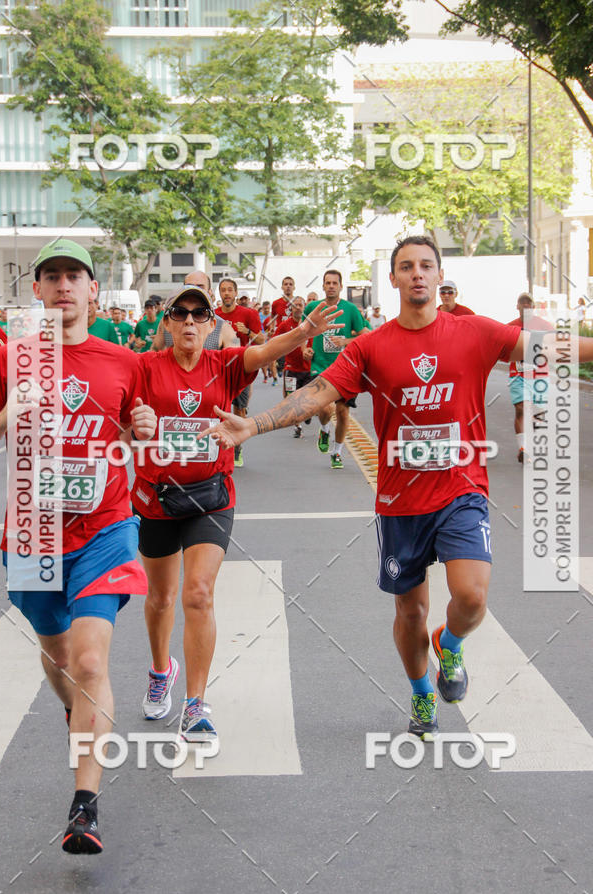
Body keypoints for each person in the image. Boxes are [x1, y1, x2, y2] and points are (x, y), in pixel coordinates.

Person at [200, 235, 593, 740]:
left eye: (426, 266)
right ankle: (422, 692)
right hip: (400, 501)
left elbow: (546, 347)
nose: (417, 274)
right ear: (393, 279)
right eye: (406, 266)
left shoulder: (474, 332)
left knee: (471, 598)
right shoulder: (372, 347)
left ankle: (449, 644)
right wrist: (252, 425)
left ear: (439, 275)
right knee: (410, 610)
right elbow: (320, 392)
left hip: (460, 490)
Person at [0, 238, 156, 854]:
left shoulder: (124, 360)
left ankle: (84, 806)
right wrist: (11, 412)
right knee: (60, 659)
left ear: (93, 289)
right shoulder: (12, 358)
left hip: (107, 529)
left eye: (74, 276)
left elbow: (136, 426)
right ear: (35, 290)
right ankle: (76, 714)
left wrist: (142, 428)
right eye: (51, 276)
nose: (63, 286)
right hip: (33, 532)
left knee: (91, 662)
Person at [132, 285, 341, 743]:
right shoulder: (144, 367)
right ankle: (159, 668)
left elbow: (266, 349)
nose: (189, 322)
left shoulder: (223, 364)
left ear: (211, 325)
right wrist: (133, 426)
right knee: (162, 599)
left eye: (198, 314)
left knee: (198, 594)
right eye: (180, 314)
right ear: (166, 323)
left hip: (210, 497)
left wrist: (305, 329)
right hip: (156, 498)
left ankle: (194, 705)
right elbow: (117, 409)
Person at [304, 270, 370, 469]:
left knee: (342, 412)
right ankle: (324, 429)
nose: (331, 286)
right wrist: (304, 349)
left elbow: (366, 335)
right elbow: (301, 333)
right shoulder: (313, 307)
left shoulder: (350, 309)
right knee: (325, 408)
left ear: (341, 286)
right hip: (320, 366)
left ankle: (337, 452)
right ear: (323, 286)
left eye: (335, 283)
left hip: (346, 368)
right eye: (327, 283)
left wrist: (346, 340)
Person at [216, 278, 264, 467]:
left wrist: (248, 332)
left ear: (236, 293)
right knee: (219, 408)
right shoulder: (214, 315)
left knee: (239, 409)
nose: (226, 293)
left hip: (242, 368)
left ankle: (237, 448)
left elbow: (261, 340)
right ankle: (217, 447)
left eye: (229, 290)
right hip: (218, 368)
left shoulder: (248, 314)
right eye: (223, 290)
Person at [507, 293, 554, 464]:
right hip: (518, 374)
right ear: (517, 306)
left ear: (533, 307)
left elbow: (555, 343)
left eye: (529, 304)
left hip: (540, 375)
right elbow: (502, 349)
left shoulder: (544, 325)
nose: (526, 306)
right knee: (520, 408)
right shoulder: (510, 327)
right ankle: (523, 449)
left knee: (538, 411)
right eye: (522, 303)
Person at [152, 271, 236, 352]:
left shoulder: (223, 327)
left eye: (200, 287)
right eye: (189, 286)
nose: (195, 290)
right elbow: (154, 352)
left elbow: (235, 360)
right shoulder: (168, 321)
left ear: (210, 292)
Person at [274, 296, 313, 437]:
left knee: (307, 397)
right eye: (295, 305)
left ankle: (306, 414)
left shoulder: (310, 325)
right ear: (291, 308)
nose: (297, 308)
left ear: (304, 307)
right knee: (291, 398)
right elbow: (275, 341)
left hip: (307, 368)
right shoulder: (285, 325)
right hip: (291, 368)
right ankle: (298, 426)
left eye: (300, 305)